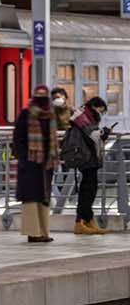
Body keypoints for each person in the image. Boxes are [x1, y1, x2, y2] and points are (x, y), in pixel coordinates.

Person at [13, 85, 59, 243]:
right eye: (38, 95)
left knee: (43, 197)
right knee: (31, 198)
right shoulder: (26, 114)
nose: (41, 99)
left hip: (46, 162)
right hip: (31, 161)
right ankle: (33, 233)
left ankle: (43, 232)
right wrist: (24, 158)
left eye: (44, 95)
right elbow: (18, 138)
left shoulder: (50, 114)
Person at [64, 96, 110, 235]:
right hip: (85, 157)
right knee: (87, 190)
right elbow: (93, 135)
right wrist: (104, 132)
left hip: (88, 156)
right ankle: (80, 222)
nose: (100, 113)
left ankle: (87, 220)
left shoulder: (85, 115)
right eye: (101, 110)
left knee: (89, 190)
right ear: (94, 106)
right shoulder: (82, 116)